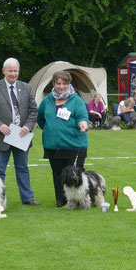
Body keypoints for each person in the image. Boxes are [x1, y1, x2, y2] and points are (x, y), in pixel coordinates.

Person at [0, 58, 40, 206]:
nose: (13, 74)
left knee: (22, 168)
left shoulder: (26, 88)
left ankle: (28, 197)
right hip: (2, 136)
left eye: (15, 71)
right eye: (10, 71)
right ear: (4, 71)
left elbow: (34, 111)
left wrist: (28, 126)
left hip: (21, 135)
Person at [37, 71, 89, 207]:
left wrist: (83, 124)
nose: (61, 86)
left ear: (69, 84)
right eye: (58, 83)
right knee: (58, 174)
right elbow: (40, 118)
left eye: (64, 84)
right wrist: (49, 130)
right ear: (54, 84)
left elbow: (82, 117)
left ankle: (80, 199)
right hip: (53, 146)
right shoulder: (47, 101)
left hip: (74, 145)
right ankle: (62, 199)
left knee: (76, 174)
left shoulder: (76, 100)